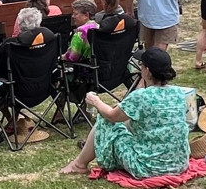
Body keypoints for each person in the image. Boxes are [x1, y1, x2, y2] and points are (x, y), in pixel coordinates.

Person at [61, 46, 192, 180]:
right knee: (128, 121)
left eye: (141, 65)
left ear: (147, 71)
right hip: (179, 164)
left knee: (104, 120)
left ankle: (79, 165)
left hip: (148, 167)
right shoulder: (179, 93)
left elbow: (112, 116)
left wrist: (96, 101)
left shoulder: (141, 96)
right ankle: (83, 159)